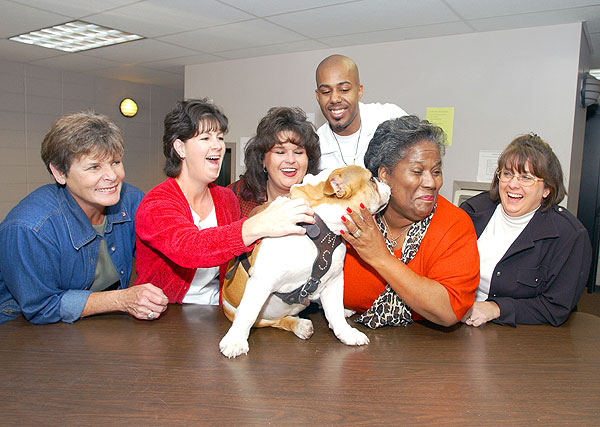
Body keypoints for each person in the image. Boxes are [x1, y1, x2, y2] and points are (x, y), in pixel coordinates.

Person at [134, 99, 314, 305]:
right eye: (205, 138)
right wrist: (260, 224)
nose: (217, 146)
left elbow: (235, 259)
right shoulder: (155, 204)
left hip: (218, 310)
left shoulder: (226, 198)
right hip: (168, 316)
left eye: (219, 137)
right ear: (180, 148)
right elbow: (193, 249)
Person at [0, 112, 168, 324]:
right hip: (20, 329)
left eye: (116, 162)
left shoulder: (131, 200)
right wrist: (121, 299)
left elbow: (159, 256)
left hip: (97, 322)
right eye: (94, 167)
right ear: (59, 173)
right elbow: (41, 307)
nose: (112, 176)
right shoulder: (30, 228)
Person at [340, 116, 480, 328]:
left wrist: (381, 257)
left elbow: (449, 310)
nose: (431, 183)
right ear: (385, 175)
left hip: (427, 351)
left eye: (436, 172)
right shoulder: (353, 217)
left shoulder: (454, 224)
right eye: (417, 171)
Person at [460, 134, 592, 327]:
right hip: (461, 323)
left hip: (523, 336)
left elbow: (555, 308)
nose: (513, 184)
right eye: (507, 174)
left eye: (526, 177)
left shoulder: (569, 235)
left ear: (547, 189)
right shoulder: (472, 212)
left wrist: (496, 308)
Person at [314, 54, 407, 171]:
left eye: (344, 90)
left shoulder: (390, 117)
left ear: (359, 91)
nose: (334, 99)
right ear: (318, 96)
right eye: (326, 92)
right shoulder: (316, 147)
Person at [228, 107, 320, 217]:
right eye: (280, 152)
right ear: (262, 159)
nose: (290, 160)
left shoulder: (323, 200)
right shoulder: (234, 196)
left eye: (298, 152)